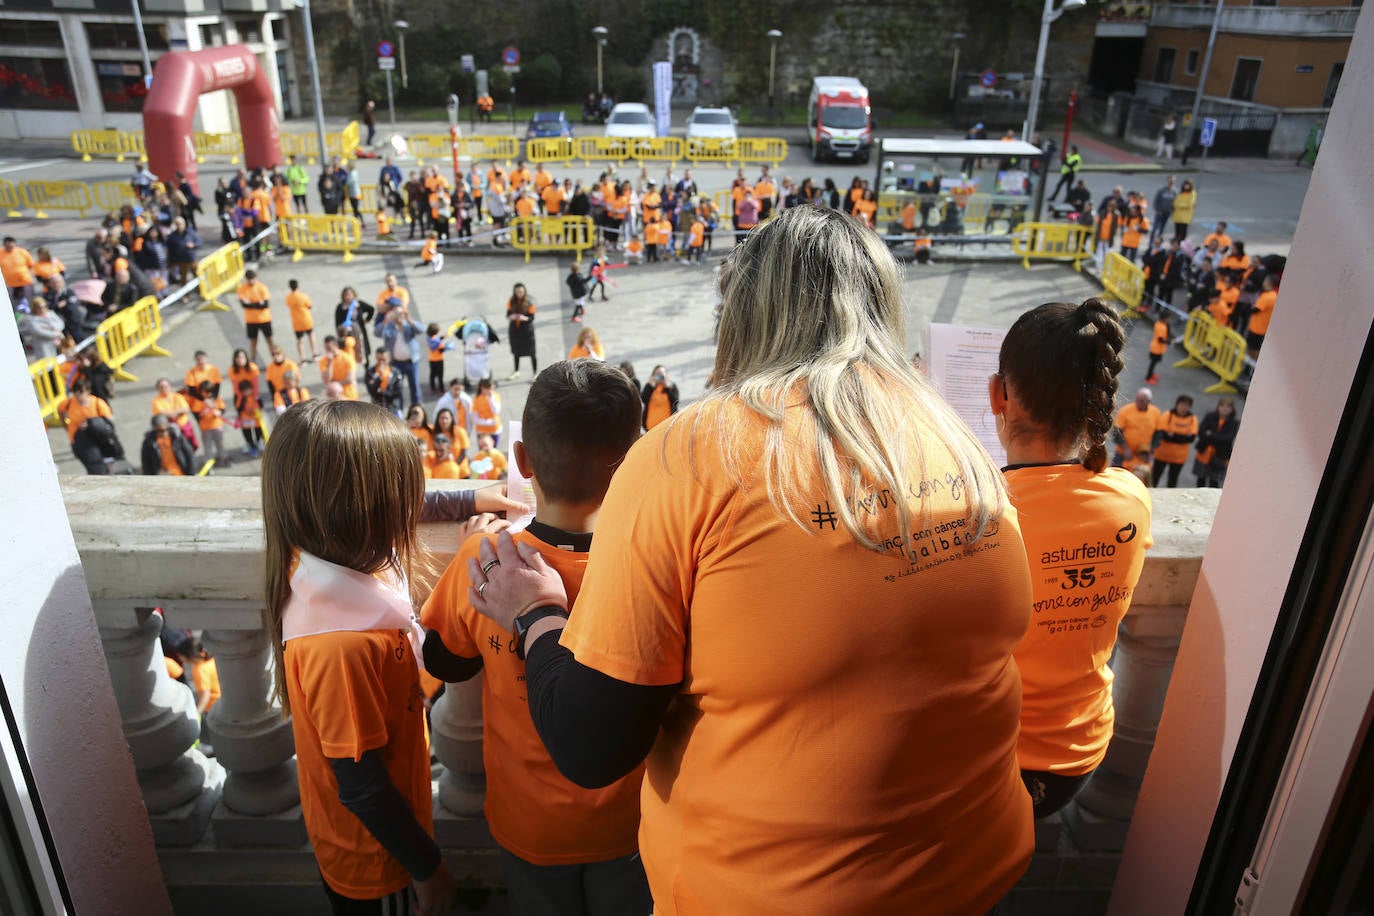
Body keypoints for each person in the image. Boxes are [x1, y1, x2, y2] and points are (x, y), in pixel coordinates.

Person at [463, 206, 1037, 913]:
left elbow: (590, 746)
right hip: (976, 863)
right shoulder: (956, 437)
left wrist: (537, 612)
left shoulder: (692, 453)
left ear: (741, 312)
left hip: (775, 891)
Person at [422, 361, 651, 916]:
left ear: (522, 461)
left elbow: (443, 660)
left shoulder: (486, 559)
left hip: (529, 821)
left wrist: (475, 549)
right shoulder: (652, 562)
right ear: (634, 459)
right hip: (630, 817)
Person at [261, 400, 464, 916]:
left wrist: (472, 497)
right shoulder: (340, 645)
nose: (408, 508)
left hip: (380, 844)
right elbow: (363, 788)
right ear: (365, 511)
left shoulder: (321, 555)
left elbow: (411, 506)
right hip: (379, 866)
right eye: (397, 494)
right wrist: (431, 871)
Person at [986, 298, 1152, 818]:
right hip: (1079, 753)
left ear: (999, 396)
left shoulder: (979, 512)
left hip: (992, 756)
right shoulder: (1130, 498)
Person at [59, 379, 125, 474]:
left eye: (81, 392)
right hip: (80, 442)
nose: (78, 395)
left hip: (98, 440)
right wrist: (66, 426)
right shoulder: (69, 403)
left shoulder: (98, 403)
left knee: (106, 466)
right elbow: (60, 410)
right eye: (75, 392)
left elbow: (109, 422)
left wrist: (92, 424)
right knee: (94, 468)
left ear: (88, 391)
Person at [380, 304, 425, 409]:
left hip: (411, 362)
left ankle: (416, 408)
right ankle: (398, 410)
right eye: (396, 313)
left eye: (400, 313)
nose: (399, 316)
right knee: (397, 388)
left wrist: (409, 321)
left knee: (414, 386)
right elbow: (383, 335)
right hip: (396, 363)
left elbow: (421, 330)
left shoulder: (408, 325)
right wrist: (386, 322)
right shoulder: (390, 326)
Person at [1151, 395, 1198, 488]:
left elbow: (1191, 438)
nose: (1183, 408)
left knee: (1173, 479)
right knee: (1154, 477)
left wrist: (1173, 435)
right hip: (1162, 454)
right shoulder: (1168, 415)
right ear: (1177, 404)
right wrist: (1183, 436)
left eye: (1187, 406)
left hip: (1179, 457)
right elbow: (1162, 434)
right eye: (1182, 405)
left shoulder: (1192, 419)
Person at [1194, 398, 1239, 487]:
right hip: (1204, 453)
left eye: (1228, 406)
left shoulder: (1234, 422)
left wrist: (1211, 434)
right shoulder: (1209, 416)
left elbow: (1228, 438)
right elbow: (1201, 432)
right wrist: (1217, 437)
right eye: (1222, 405)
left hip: (1220, 456)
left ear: (1232, 409)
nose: (1225, 408)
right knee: (1200, 479)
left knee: (1214, 481)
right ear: (1218, 407)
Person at [1114, 387, 1161, 468]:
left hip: (1142, 455)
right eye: (1137, 399)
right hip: (1124, 453)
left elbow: (1158, 433)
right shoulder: (1126, 410)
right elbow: (1116, 432)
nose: (1138, 402)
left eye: (1142, 401)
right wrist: (1125, 449)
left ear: (1149, 401)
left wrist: (1152, 449)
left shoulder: (1155, 412)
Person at [236, 269, 273, 363]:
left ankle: (274, 356)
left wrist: (251, 303)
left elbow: (265, 304)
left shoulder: (262, 287)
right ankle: (253, 360)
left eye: (252, 279)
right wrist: (258, 303)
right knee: (253, 342)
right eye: (249, 279)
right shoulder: (242, 288)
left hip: (264, 319)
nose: (251, 281)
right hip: (251, 320)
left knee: (269, 340)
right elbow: (244, 305)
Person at [335, 287, 375, 366]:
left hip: (358, 332)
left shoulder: (358, 304)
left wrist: (367, 320)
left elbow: (371, 309)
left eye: (349, 294)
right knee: (349, 351)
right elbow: (337, 322)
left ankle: (367, 370)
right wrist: (340, 333)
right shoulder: (340, 307)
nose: (347, 297)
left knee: (363, 351)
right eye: (346, 295)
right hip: (347, 333)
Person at [196, 380, 231, 469]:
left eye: (208, 392)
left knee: (220, 444)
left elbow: (222, 409)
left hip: (217, 425)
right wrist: (202, 413)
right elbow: (196, 414)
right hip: (205, 428)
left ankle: (223, 458)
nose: (206, 394)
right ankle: (209, 463)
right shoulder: (198, 402)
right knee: (207, 446)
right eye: (204, 392)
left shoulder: (217, 399)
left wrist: (218, 412)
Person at [506, 283, 537, 380]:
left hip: (526, 330)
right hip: (515, 330)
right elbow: (508, 314)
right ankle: (516, 371)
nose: (519, 293)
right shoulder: (511, 301)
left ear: (524, 291)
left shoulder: (530, 302)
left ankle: (535, 373)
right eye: (517, 292)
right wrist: (511, 316)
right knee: (516, 352)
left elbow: (532, 317)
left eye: (521, 291)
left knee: (532, 352)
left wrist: (524, 318)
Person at [319, 335, 359, 401]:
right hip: (334, 398)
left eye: (329, 348)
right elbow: (327, 379)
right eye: (326, 349)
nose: (327, 351)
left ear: (336, 346)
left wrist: (335, 385)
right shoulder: (323, 361)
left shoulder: (347, 358)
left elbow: (350, 379)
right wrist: (329, 363)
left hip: (349, 395)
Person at [1247, 274, 1277, 358]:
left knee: (1254, 350)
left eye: (1265, 280)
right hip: (1257, 327)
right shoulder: (1270, 294)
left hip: (1258, 329)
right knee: (1251, 348)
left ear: (1269, 283)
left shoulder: (1268, 297)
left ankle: (1253, 367)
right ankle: (1248, 368)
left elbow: (1255, 310)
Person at [640, 365, 678, 431]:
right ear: (653, 375)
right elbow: (643, 400)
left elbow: (675, 401)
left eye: (662, 375)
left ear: (666, 375)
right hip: (650, 427)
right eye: (657, 374)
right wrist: (650, 387)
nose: (659, 377)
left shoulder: (671, 386)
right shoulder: (650, 386)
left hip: (668, 427)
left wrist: (667, 387)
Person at [473, 377, 502, 445]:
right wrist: (489, 422)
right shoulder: (476, 399)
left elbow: (496, 411)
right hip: (482, 430)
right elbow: (474, 418)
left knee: (494, 451)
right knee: (483, 452)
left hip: (494, 430)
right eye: (487, 388)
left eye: (491, 388)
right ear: (482, 388)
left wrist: (491, 399)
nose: (490, 391)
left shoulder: (495, 396)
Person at [1145, 313, 1170, 385]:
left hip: (1156, 347)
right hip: (1157, 349)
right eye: (1168, 318)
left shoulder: (1158, 323)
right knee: (1153, 364)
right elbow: (1161, 340)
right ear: (1164, 318)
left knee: (1154, 363)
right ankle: (1148, 377)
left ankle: (1151, 374)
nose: (1169, 320)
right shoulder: (1162, 327)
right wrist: (1169, 342)